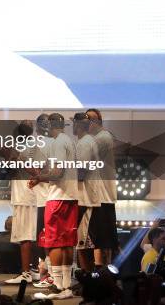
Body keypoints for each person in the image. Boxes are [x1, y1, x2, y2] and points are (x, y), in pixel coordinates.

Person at [30, 113, 78, 301]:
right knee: (66, 242)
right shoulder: (69, 141)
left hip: (58, 198)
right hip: (71, 197)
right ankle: (65, 286)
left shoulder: (58, 142)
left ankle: (57, 287)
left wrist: (38, 178)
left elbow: (57, 173)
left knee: (55, 242)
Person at [4, 121, 39, 285]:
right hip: (24, 194)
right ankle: (33, 269)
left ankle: (26, 273)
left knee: (25, 235)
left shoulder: (24, 148)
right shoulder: (30, 146)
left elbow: (35, 170)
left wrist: (15, 159)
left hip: (26, 195)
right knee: (29, 235)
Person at [73, 112, 106, 273]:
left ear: (78, 125)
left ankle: (88, 280)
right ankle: (89, 279)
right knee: (84, 241)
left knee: (83, 242)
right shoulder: (85, 141)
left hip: (86, 198)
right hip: (87, 197)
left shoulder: (85, 143)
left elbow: (81, 171)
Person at [86, 108, 118, 268]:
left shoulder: (103, 138)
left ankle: (105, 275)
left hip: (103, 196)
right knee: (99, 239)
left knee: (104, 239)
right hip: (97, 196)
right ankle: (101, 273)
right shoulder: (95, 138)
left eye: (91, 119)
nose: (87, 122)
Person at [32, 114, 54, 289]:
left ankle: (51, 275)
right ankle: (45, 273)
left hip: (49, 200)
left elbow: (52, 174)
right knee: (43, 238)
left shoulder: (49, 145)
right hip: (42, 200)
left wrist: (37, 177)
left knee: (48, 239)